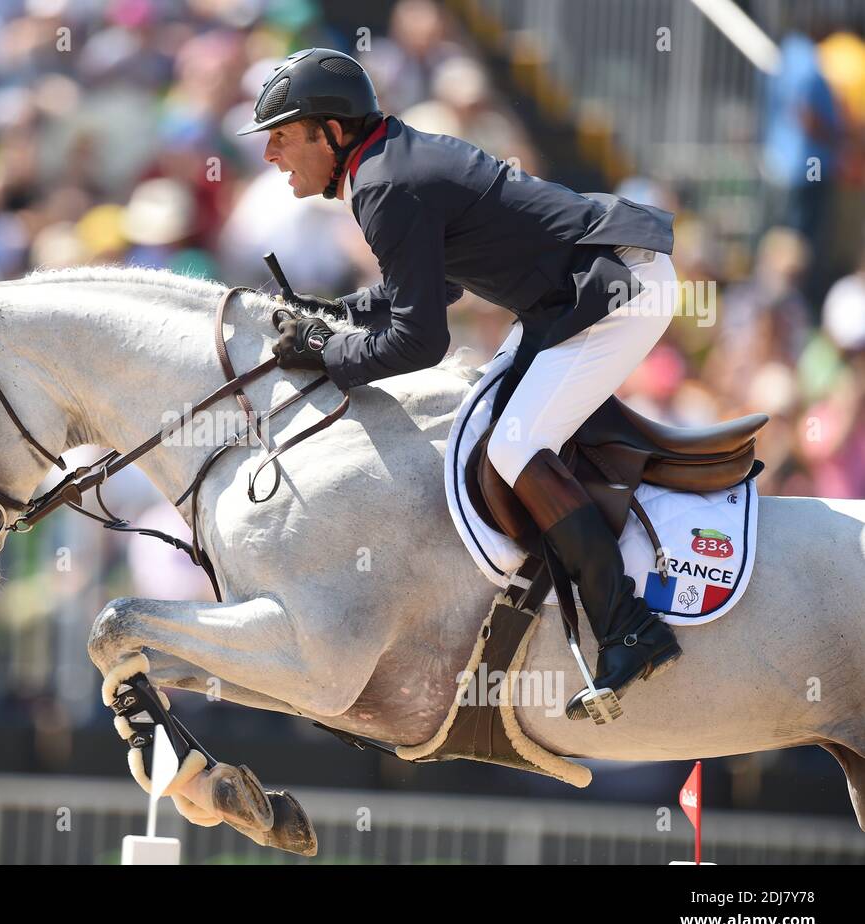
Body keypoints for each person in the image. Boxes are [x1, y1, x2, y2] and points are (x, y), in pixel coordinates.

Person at [237, 48, 682, 720]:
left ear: (331, 132)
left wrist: (331, 352)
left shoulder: (384, 184)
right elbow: (431, 286)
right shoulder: (386, 163)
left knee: (512, 447)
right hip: (579, 291)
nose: (271, 154)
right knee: (491, 427)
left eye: (282, 135)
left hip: (616, 287)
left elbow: (421, 339)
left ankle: (630, 625)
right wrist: (332, 317)